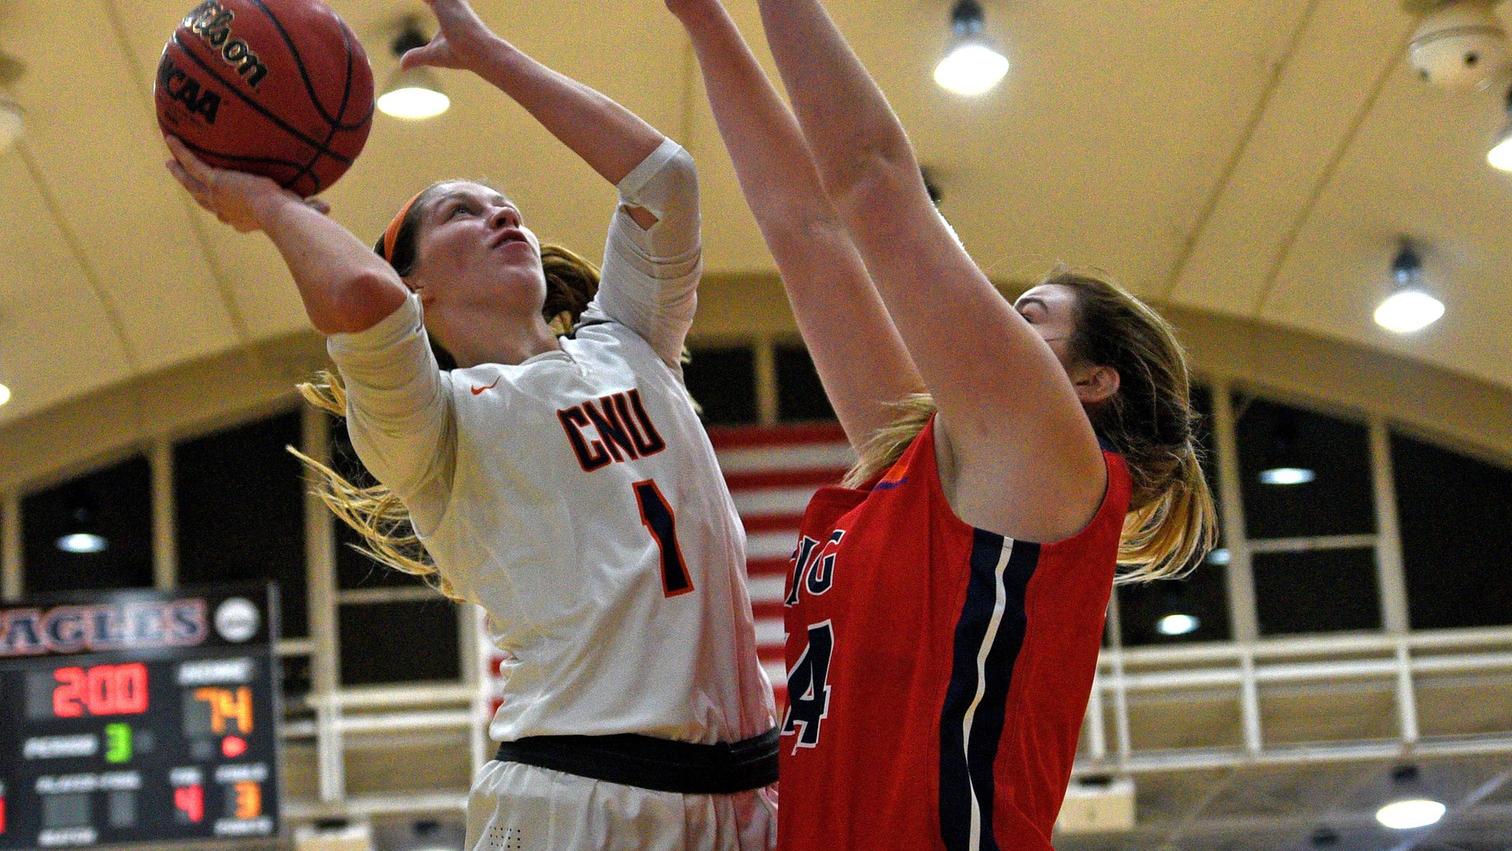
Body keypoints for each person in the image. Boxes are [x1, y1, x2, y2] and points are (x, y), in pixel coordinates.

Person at [164, 0, 778, 847]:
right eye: (462, 211)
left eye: (506, 204)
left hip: (748, 790)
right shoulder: (433, 426)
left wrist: (494, 58)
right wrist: (268, 204)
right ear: (420, 287)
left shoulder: (633, 341)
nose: (503, 214)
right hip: (581, 794)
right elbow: (363, 300)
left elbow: (664, 179)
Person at [662, 0, 1216, 848]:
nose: (993, 325)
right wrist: (703, 20)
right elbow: (806, 231)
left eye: (1026, 316)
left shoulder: (1053, 456)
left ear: (1092, 381)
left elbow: (872, 177)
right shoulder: (932, 454)